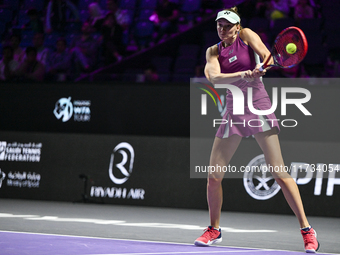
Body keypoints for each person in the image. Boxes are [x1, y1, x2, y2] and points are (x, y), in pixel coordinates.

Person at [193, 7, 320, 254]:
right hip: (233, 110)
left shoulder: (247, 35)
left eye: (227, 25)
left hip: (257, 105)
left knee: (279, 173)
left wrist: (260, 68)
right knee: (213, 177)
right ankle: (214, 229)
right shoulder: (213, 51)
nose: (222, 29)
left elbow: (267, 56)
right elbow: (214, 78)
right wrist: (244, 73)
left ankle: (307, 230)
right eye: (219, 25)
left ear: (237, 27)